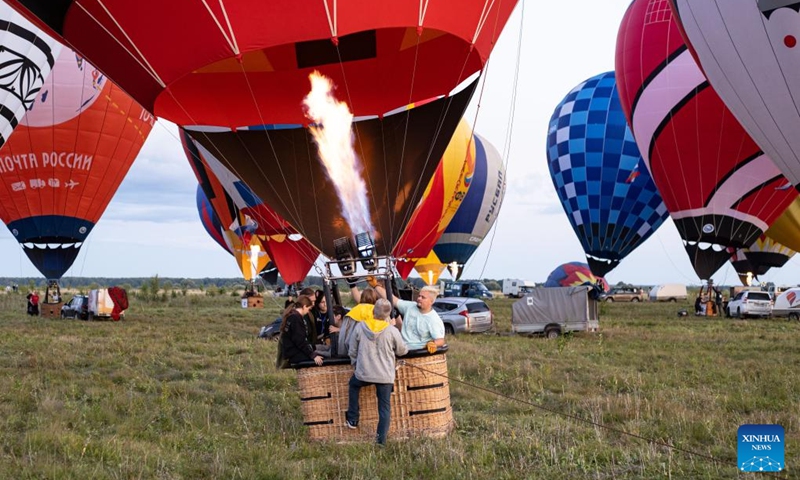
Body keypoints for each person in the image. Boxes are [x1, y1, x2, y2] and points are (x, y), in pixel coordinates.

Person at [345, 299, 409, 445]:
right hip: (385, 375)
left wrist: (355, 364)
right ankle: (380, 442)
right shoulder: (392, 331)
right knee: (384, 408)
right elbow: (401, 350)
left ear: (373, 312)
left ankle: (353, 418)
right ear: (387, 315)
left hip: (364, 372)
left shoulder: (360, 327)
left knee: (353, 385)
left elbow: (352, 349)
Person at [377, 284, 445, 351]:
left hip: (419, 353)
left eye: (423, 297)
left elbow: (440, 340)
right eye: (419, 296)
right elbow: (393, 299)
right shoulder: (410, 306)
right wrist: (376, 286)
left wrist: (434, 344)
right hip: (402, 350)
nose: (419, 298)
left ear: (431, 301)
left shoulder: (434, 319)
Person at [279, 296, 324, 366]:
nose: (308, 311)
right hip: (294, 354)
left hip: (291, 352)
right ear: (305, 306)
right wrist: (313, 355)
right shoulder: (296, 319)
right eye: (308, 309)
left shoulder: (291, 316)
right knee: (322, 357)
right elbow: (300, 340)